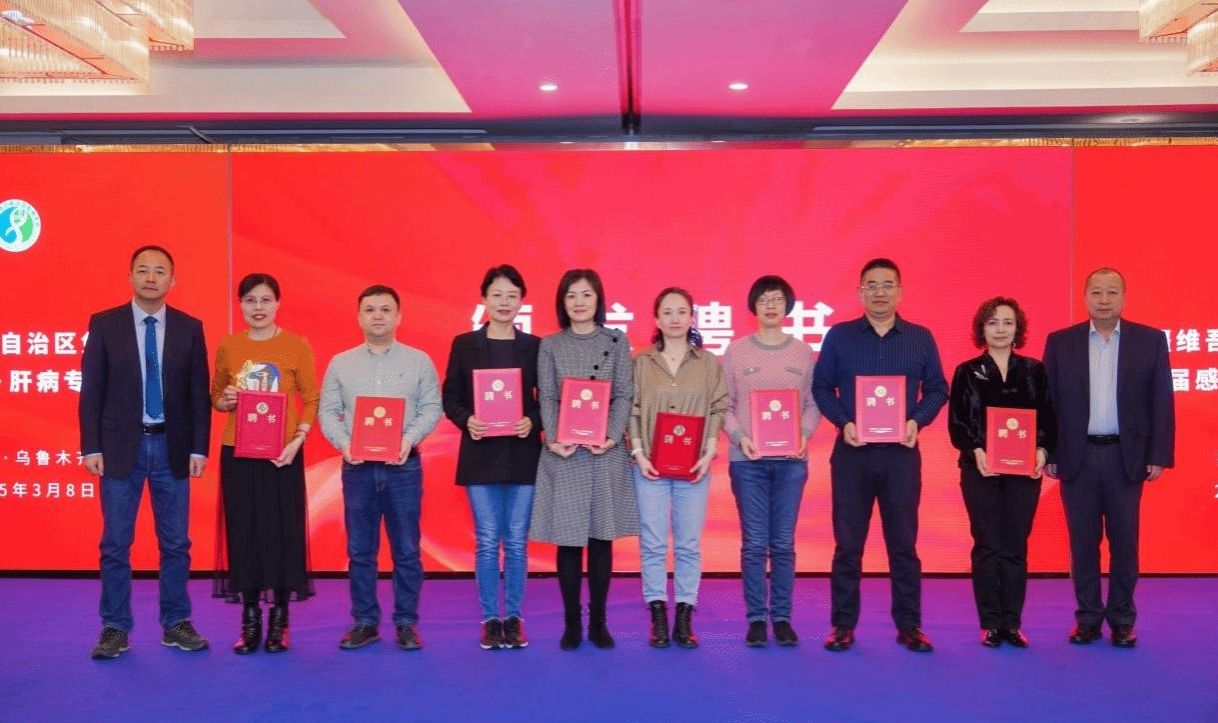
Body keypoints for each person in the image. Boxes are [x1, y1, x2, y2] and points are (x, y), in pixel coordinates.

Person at [80, 245, 211, 659]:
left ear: (173, 280)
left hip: (173, 447)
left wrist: (199, 448)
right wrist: (90, 446)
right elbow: (92, 391)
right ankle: (115, 627)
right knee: (116, 543)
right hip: (121, 448)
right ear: (130, 277)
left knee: (176, 544)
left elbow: (198, 395)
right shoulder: (105, 324)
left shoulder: (190, 328)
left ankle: (176, 622)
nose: (151, 278)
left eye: (159, 271)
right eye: (142, 270)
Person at [812, 258, 948, 653]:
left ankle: (910, 626)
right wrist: (843, 422)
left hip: (901, 456)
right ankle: (842, 626)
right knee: (847, 546)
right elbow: (821, 387)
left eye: (887, 284)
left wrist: (916, 421)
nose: (879, 292)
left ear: (900, 292)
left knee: (903, 545)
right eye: (871, 285)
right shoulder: (840, 336)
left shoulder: (920, 337)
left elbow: (938, 388)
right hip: (852, 455)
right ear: (860, 293)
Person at [1043, 268, 1174, 648]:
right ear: (1085, 297)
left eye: (1112, 292)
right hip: (1077, 457)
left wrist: (1158, 454)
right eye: (1096, 292)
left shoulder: (1150, 341)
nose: (1104, 300)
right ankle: (1087, 619)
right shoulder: (1060, 342)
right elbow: (1048, 403)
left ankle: (1121, 620)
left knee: (1124, 545)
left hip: (1125, 457)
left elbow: (1161, 400)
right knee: (1082, 545)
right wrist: (1049, 450)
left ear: (1124, 297)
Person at [318, 285, 442, 651]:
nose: (378, 316)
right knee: (360, 550)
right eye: (370, 309)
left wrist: (408, 439)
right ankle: (365, 621)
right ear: (359, 317)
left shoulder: (419, 361)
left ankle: (406, 623)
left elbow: (431, 408)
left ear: (398, 316)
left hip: (403, 467)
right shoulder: (341, 363)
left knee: (406, 549)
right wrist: (344, 444)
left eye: (385, 309)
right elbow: (328, 411)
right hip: (357, 468)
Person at [529, 269, 637, 651]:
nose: (579, 302)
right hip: (567, 454)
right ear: (562, 302)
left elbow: (624, 393)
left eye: (586, 294)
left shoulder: (616, 340)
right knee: (569, 542)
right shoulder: (551, 344)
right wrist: (553, 437)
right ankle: (572, 623)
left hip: (603, 453)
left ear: (598, 299)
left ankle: (599, 623)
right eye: (571, 295)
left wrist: (611, 435)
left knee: (601, 540)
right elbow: (546, 396)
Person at [211, 273, 319, 654]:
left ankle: (280, 619)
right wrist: (225, 400)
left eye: (266, 300)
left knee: (282, 533)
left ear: (277, 304)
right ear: (240, 305)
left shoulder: (296, 345)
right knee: (244, 533)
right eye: (250, 300)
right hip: (238, 451)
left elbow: (312, 398)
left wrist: (299, 439)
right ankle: (250, 617)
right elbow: (216, 397)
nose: (258, 307)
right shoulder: (229, 346)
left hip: (282, 454)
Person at [442, 265, 542, 650]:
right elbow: (451, 396)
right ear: (484, 298)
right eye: (497, 294)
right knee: (486, 540)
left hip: (522, 455)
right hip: (481, 454)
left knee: (515, 542)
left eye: (512, 295)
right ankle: (490, 619)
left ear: (521, 302)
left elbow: (546, 399)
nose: (504, 302)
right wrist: (466, 419)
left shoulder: (534, 346)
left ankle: (513, 617)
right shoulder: (465, 344)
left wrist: (532, 421)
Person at [948, 297, 1055, 648]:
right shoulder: (967, 371)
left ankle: (1012, 623)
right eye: (992, 322)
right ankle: (991, 623)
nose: (1000, 329)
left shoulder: (1034, 370)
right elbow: (957, 424)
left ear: (1017, 328)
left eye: (1007, 322)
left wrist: (1042, 450)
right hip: (980, 471)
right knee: (986, 545)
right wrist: (975, 449)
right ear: (982, 328)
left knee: (1015, 546)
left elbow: (1047, 418)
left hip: (1024, 474)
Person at [721, 275, 820, 648]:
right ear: (754, 306)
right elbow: (724, 404)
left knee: (782, 543)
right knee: (754, 543)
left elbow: (813, 403)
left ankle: (781, 617)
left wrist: (804, 434)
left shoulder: (803, 352)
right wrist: (740, 438)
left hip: (791, 462)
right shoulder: (736, 351)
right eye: (763, 299)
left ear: (788, 305)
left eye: (777, 299)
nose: (770, 305)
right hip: (748, 462)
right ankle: (756, 620)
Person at [629, 287, 728, 649]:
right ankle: (657, 614)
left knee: (687, 544)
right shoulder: (642, 362)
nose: (674, 318)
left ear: (692, 317)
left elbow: (718, 407)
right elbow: (632, 409)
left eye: (681, 311)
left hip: (694, 467)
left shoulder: (707, 363)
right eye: (667, 312)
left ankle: (685, 616)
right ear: (656, 319)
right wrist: (638, 452)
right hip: (649, 467)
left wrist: (710, 449)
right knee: (653, 543)